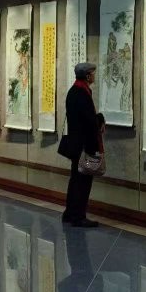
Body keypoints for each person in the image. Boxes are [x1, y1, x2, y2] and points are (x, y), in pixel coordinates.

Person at [62, 62, 102, 227]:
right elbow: (89, 121)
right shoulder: (82, 93)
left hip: (76, 144)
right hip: (83, 146)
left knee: (75, 180)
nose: (94, 76)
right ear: (87, 76)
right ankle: (78, 216)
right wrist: (100, 119)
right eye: (92, 73)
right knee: (83, 181)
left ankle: (70, 213)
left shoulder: (73, 91)